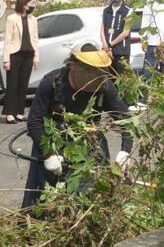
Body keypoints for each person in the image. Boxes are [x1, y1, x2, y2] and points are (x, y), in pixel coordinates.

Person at [22, 45, 133, 208]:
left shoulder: (104, 86)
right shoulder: (52, 83)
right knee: (45, 199)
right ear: (73, 67)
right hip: (53, 143)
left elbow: (125, 120)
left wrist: (125, 151)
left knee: (92, 197)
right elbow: (34, 121)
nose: (97, 78)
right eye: (91, 72)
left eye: (102, 72)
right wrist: (48, 155)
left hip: (90, 144)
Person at [2, 0, 39, 124]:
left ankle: (19, 112)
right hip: (15, 54)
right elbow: (7, 40)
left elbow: (35, 39)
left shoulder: (33, 20)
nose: (34, 5)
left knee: (23, 85)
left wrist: (36, 57)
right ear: (24, 5)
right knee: (13, 85)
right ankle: (9, 113)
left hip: (28, 55)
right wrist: (6, 59)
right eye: (32, 3)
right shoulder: (12, 19)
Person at [100, 0, 132, 76]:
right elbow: (102, 30)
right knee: (108, 79)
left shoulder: (130, 11)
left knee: (121, 79)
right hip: (107, 52)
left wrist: (110, 45)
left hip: (121, 52)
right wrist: (106, 47)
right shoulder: (106, 10)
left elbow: (125, 33)